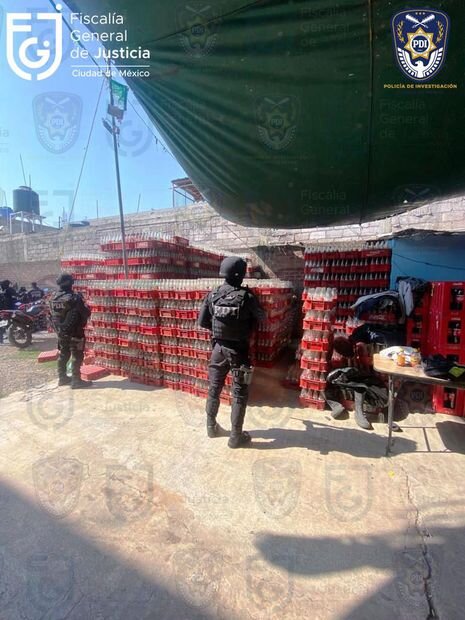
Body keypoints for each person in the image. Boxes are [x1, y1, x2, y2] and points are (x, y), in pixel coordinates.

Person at [198, 256, 264, 448]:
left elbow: (202, 322)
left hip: (218, 349)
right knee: (239, 393)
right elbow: (262, 318)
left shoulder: (213, 294)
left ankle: (211, 427)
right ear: (241, 274)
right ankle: (235, 437)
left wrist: (220, 329)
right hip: (239, 351)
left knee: (214, 388)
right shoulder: (247, 296)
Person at [49, 274, 92, 389]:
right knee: (77, 355)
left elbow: (52, 315)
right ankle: (76, 380)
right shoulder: (74, 298)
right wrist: (88, 307)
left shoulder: (53, 297)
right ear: (69, 283)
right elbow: (86, 313)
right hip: (75, 333)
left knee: (63, 354)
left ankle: (62, 378)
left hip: (61, 332)